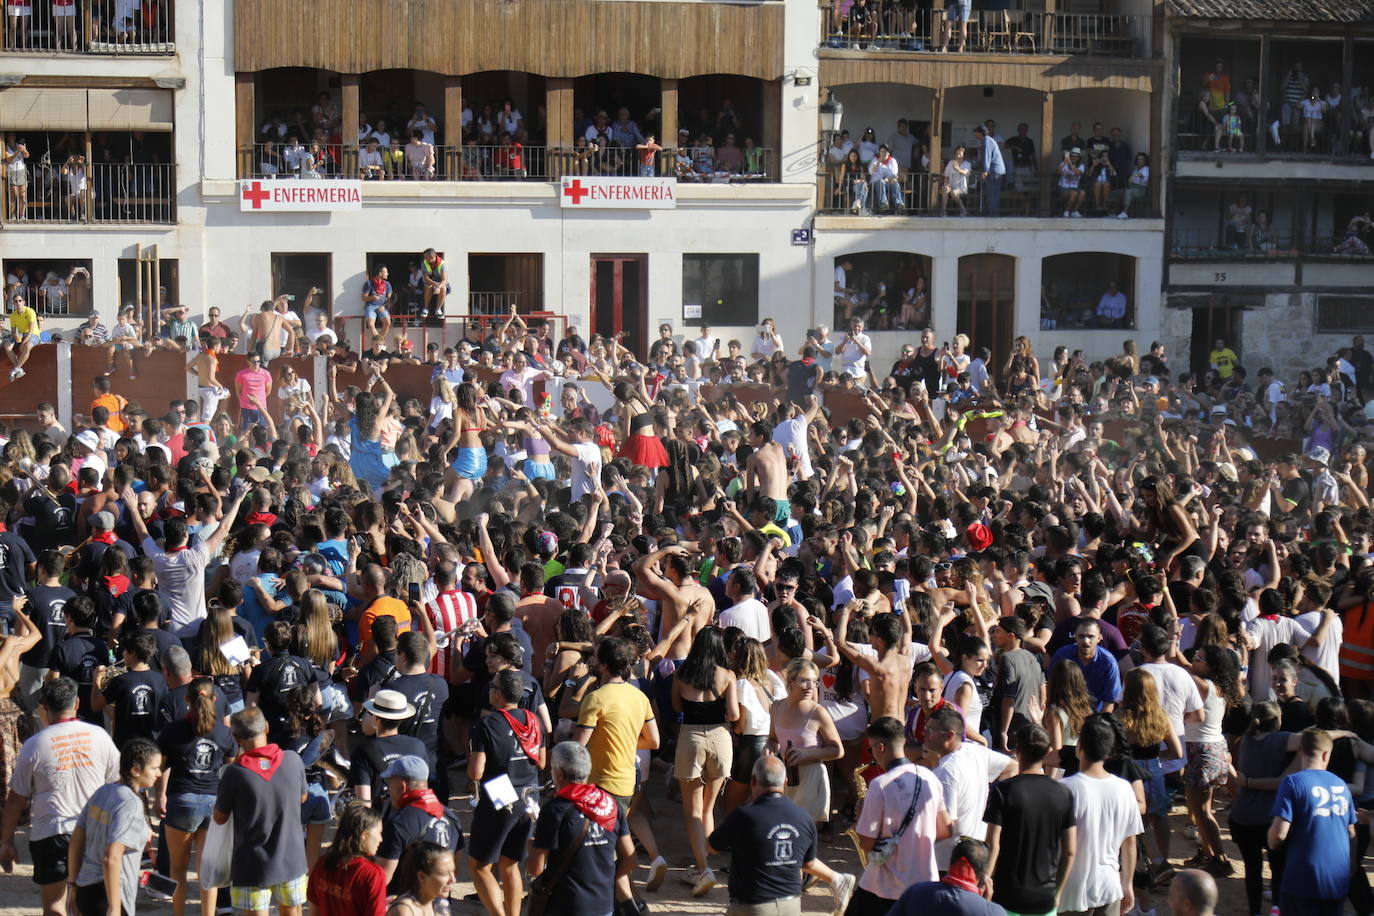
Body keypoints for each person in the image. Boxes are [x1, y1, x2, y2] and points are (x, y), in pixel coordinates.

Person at [0, 678, 120, 916]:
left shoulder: (34, 744)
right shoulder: (100, 736)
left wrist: (6, 840)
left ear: (45, 707)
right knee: (92, 905)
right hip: (91, 829)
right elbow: (119, 786)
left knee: (55, 905)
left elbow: (16, 799)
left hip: (51, 833)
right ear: (76, 703)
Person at [708, 754, 856, 916]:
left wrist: (704, 813)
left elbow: (712, 847)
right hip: (791, 906)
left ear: (753, 781)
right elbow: (807, 864)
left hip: (752, 907)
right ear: (785, 783)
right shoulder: (804, 817)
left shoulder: (743, 816)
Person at [213, 707, 310, 916]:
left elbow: (219, 818)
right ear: (266, 727)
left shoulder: (235, 774)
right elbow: (302, 798)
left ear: (237, 738)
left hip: (252, 864)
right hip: (291, 858)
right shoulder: (293, 760)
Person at [467, 669, 545, 916]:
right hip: (530, 794)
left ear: (499, 694)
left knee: (479, 866)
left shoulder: (487, 723)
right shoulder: (532, 719)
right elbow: (542, 762)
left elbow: (476, 773)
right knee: (510, 864)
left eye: (493, 687)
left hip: (501, 791)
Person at [156, 676, 236, 916]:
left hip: (181, 801)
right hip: (214, 803)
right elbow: (230, 771)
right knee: (206, 871)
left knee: (178, 870)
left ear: (186, 699)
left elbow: (159, 768)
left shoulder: (173, 730)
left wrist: (160, 795)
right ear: (214, 699)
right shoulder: (224, 733)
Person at [529, 741, 637, 916]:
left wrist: (531, 844)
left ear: (559, 774)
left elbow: (535, 868)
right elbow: (631, 859)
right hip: (603, 905)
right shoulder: (611, 804)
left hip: (566, 906)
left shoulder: (555, 810)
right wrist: (606, 877)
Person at [851, 716, 946, 916]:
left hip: (883, 887)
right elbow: (945, 829)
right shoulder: (930, 777)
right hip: (924, 883)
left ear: (880, 747)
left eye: (871, 749)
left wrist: (861, 816)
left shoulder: (880, 785)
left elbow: (867, 844)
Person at [983, 724, 1076, 916]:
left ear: (1018, 752)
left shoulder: (1004, 790)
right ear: (1048, 752)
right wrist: (1057, 893)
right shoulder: (1063, 793)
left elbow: (993, 844)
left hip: (1007, 895)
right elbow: (1069, 851)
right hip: (1044, 896)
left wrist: (984, 880)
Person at [67, 737, 162, 916]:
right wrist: (114, 907)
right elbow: (111, 857)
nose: (159, 773)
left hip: (85, 888)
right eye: (154, 768)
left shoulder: (103, 791)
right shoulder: (130, 804)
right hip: (109, 894)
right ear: (135, 770)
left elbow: (76, 841)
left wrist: (72, 885)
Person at [1058, 716, 1142, 916]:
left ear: (1079, 747)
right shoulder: (1124, 788)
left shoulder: (1065, 789)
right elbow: (1130, 842)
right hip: (1109, 886)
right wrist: (1127, 883)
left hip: (1069, 890)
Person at [1268, 727, 1356, 914]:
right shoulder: (1341, 785)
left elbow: (1278, 834)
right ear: (1326, 755)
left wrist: (1273, 843)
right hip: (1336, 879)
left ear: (1300, 750)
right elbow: (1351, 832)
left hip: (1302, 878)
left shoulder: (1293, 782)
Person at [883, 838, 1006, 916]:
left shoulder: (915, 892)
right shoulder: (995, 912)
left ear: (950, 865)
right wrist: (986, 904)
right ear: (983, 877)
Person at [307, 802, 388, 916]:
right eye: (379, 833)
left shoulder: (322, 863)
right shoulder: (373, 875)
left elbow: (314, 912)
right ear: (364, 834)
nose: (381, 839)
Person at [384, 841, 455, 916]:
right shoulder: (404, 911)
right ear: (422, 877)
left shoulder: (441, 907)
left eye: (453, 872)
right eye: (444, 874)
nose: (453, 880)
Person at [973, 125, 1005, 216]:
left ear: (980, 133)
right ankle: (995, 213)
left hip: (994, 171)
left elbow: (986, 157)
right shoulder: (990, 140)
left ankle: (993, 214)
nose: (975, 135)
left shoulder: (986, 141)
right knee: (995, 194)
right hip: (999, 170)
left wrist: (985, 171)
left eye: (976, 132)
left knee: (991, 193)